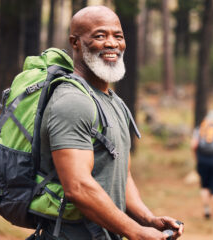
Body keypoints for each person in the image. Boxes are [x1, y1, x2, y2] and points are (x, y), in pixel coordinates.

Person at [38, 6, 184, 239]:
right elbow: (77, 187)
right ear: (75, 42)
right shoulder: (72, 102)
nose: (112, 43)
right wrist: (135, 232)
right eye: (99, 35)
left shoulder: (113, 102)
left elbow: (120, 174)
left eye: (118, 36)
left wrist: (148, 219)